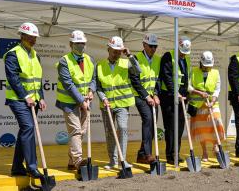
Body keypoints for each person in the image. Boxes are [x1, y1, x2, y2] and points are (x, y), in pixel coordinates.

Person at [4, 22, 47, 178]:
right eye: (30, 37)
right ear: (21, 36)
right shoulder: (12, 54)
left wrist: (40, 97)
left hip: (33, 101)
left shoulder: (36, 55)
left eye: (34, 37)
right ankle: (32, 167)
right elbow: (13, 78)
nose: (33, 40)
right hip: (17, 99)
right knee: (28, 128)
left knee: (25, 131)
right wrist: (26, 96)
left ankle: (16, 167)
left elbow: (37, 80)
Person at [96, 36, 141, 169]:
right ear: (108, 49)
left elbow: (138, 71)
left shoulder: (126, 63)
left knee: (122, 128)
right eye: (114, 51)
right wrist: (103, 98)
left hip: (122, 104)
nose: (116, 53)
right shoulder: (99, 65)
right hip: (107, 105)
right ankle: (113, 161)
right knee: (109, 132)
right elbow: (98, 86)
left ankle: (123, 159)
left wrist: (129, 55)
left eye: (119, 51)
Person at [55, 30, 96, 171]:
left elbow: (93, 79)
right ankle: (78, 161)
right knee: (76, 130)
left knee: (82, 132)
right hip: (69, 102)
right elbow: (68, 84)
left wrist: (91, 90)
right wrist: (81, 101)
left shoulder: (90, 60)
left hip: (85, 101)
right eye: (78, 43)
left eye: (83, 43)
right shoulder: (64, 61)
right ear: (71, 44)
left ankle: (71, 161)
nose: (81, 46)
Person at [159, 36, 191, 165]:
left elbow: (185, 79)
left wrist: (186, 94)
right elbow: (166, 76)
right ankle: (170, 155)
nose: (183, 55)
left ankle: (176, 153)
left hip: (182, 98)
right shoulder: (168, 56)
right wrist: (174, 92)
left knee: (180, 127)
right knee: (171, 127)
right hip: (168, 97)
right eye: (182, 52)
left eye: (185, 53)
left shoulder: (186, 60)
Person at [188, 51, 225, 162]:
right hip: (198, 106)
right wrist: (199, 93)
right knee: (201, 130)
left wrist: (212, 102)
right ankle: (204, 151)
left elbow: (217, 89)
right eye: (205, 66)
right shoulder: (193, 71)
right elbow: (188, 87)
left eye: (209, 66)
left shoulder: (216, 73)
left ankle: (215, 145)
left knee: (217, 123)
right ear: (201, 63)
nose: (207, 67)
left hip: (211, 104)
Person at [131, 33, 161, 164]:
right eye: (151, 46)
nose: (153, 49)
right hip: (139, 96)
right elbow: (135, 80)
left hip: (152, 96)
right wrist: (146, 96)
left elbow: (158, 79)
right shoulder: (136, 59)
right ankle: (148, 154)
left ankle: (141, 154)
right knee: (148, 120)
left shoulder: (157, 60)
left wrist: (155, 94)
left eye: (155, 46)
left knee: (153, 123)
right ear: (144, 45)